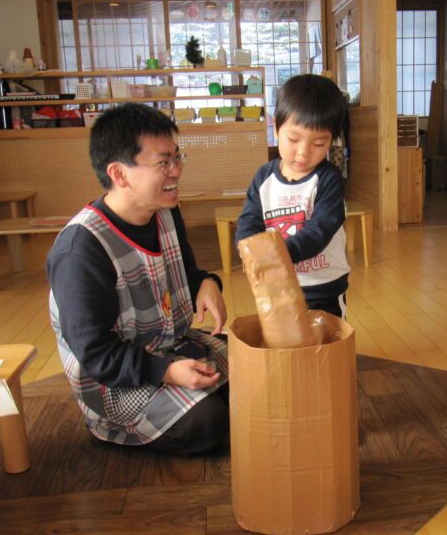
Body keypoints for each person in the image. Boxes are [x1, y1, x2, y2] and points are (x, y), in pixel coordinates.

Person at [47, 103, 229, 456]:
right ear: (119, 174)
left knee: (257, 373)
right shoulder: (80, 249)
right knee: (207, 423)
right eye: (163, 163)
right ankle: (108, 427)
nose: (176, 171)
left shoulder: (166, 213)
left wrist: (207, 282)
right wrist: (166, 371)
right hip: (116, 377)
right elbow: (96, 355)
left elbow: (185, 274)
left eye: (178, 157)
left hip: (167, 344)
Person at [235, 74, 349, 318]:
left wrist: (274, 256)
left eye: (319, 144)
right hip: (277, 286)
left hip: (323, 287)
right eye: (293, 139)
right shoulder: (264, 177)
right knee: (285, 347)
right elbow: (249, 220)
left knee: (326, 348)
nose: (303, 152)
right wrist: (247, 250)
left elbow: (319, 232)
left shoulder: (328, 179)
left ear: (332, 140)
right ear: (276, 128)